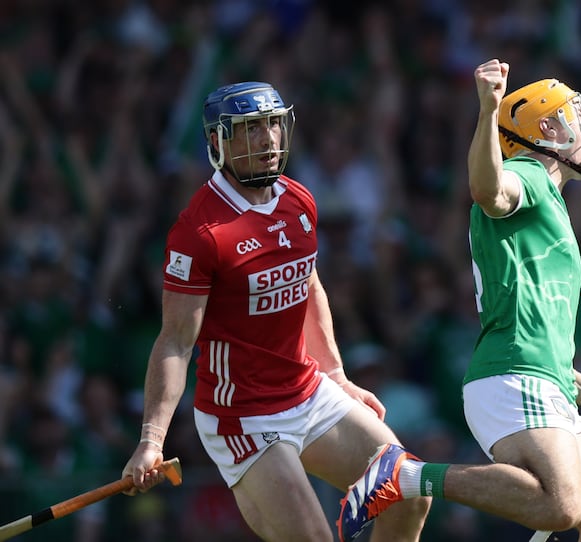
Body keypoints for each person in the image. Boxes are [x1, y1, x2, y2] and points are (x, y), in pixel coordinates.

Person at [338, 59, 581, 542]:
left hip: (541, 379)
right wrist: (488, 110)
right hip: (512, 380)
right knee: (560, 505)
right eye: (576, 115)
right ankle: (403, 476)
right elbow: (488, 190)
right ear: (546, 128)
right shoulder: (527, 173)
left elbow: (544, 345)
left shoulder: (550, 205)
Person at [120, 81, 430, 541]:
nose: (267, 140)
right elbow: (176, 341)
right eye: (249, 130)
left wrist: (337, 376)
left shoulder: (298, 200)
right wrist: (151, 439)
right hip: (243, 417)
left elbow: (308, 285)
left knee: (408, 491)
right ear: (216, 142)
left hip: (307, 390)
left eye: (272, 125)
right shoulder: (200, 232)